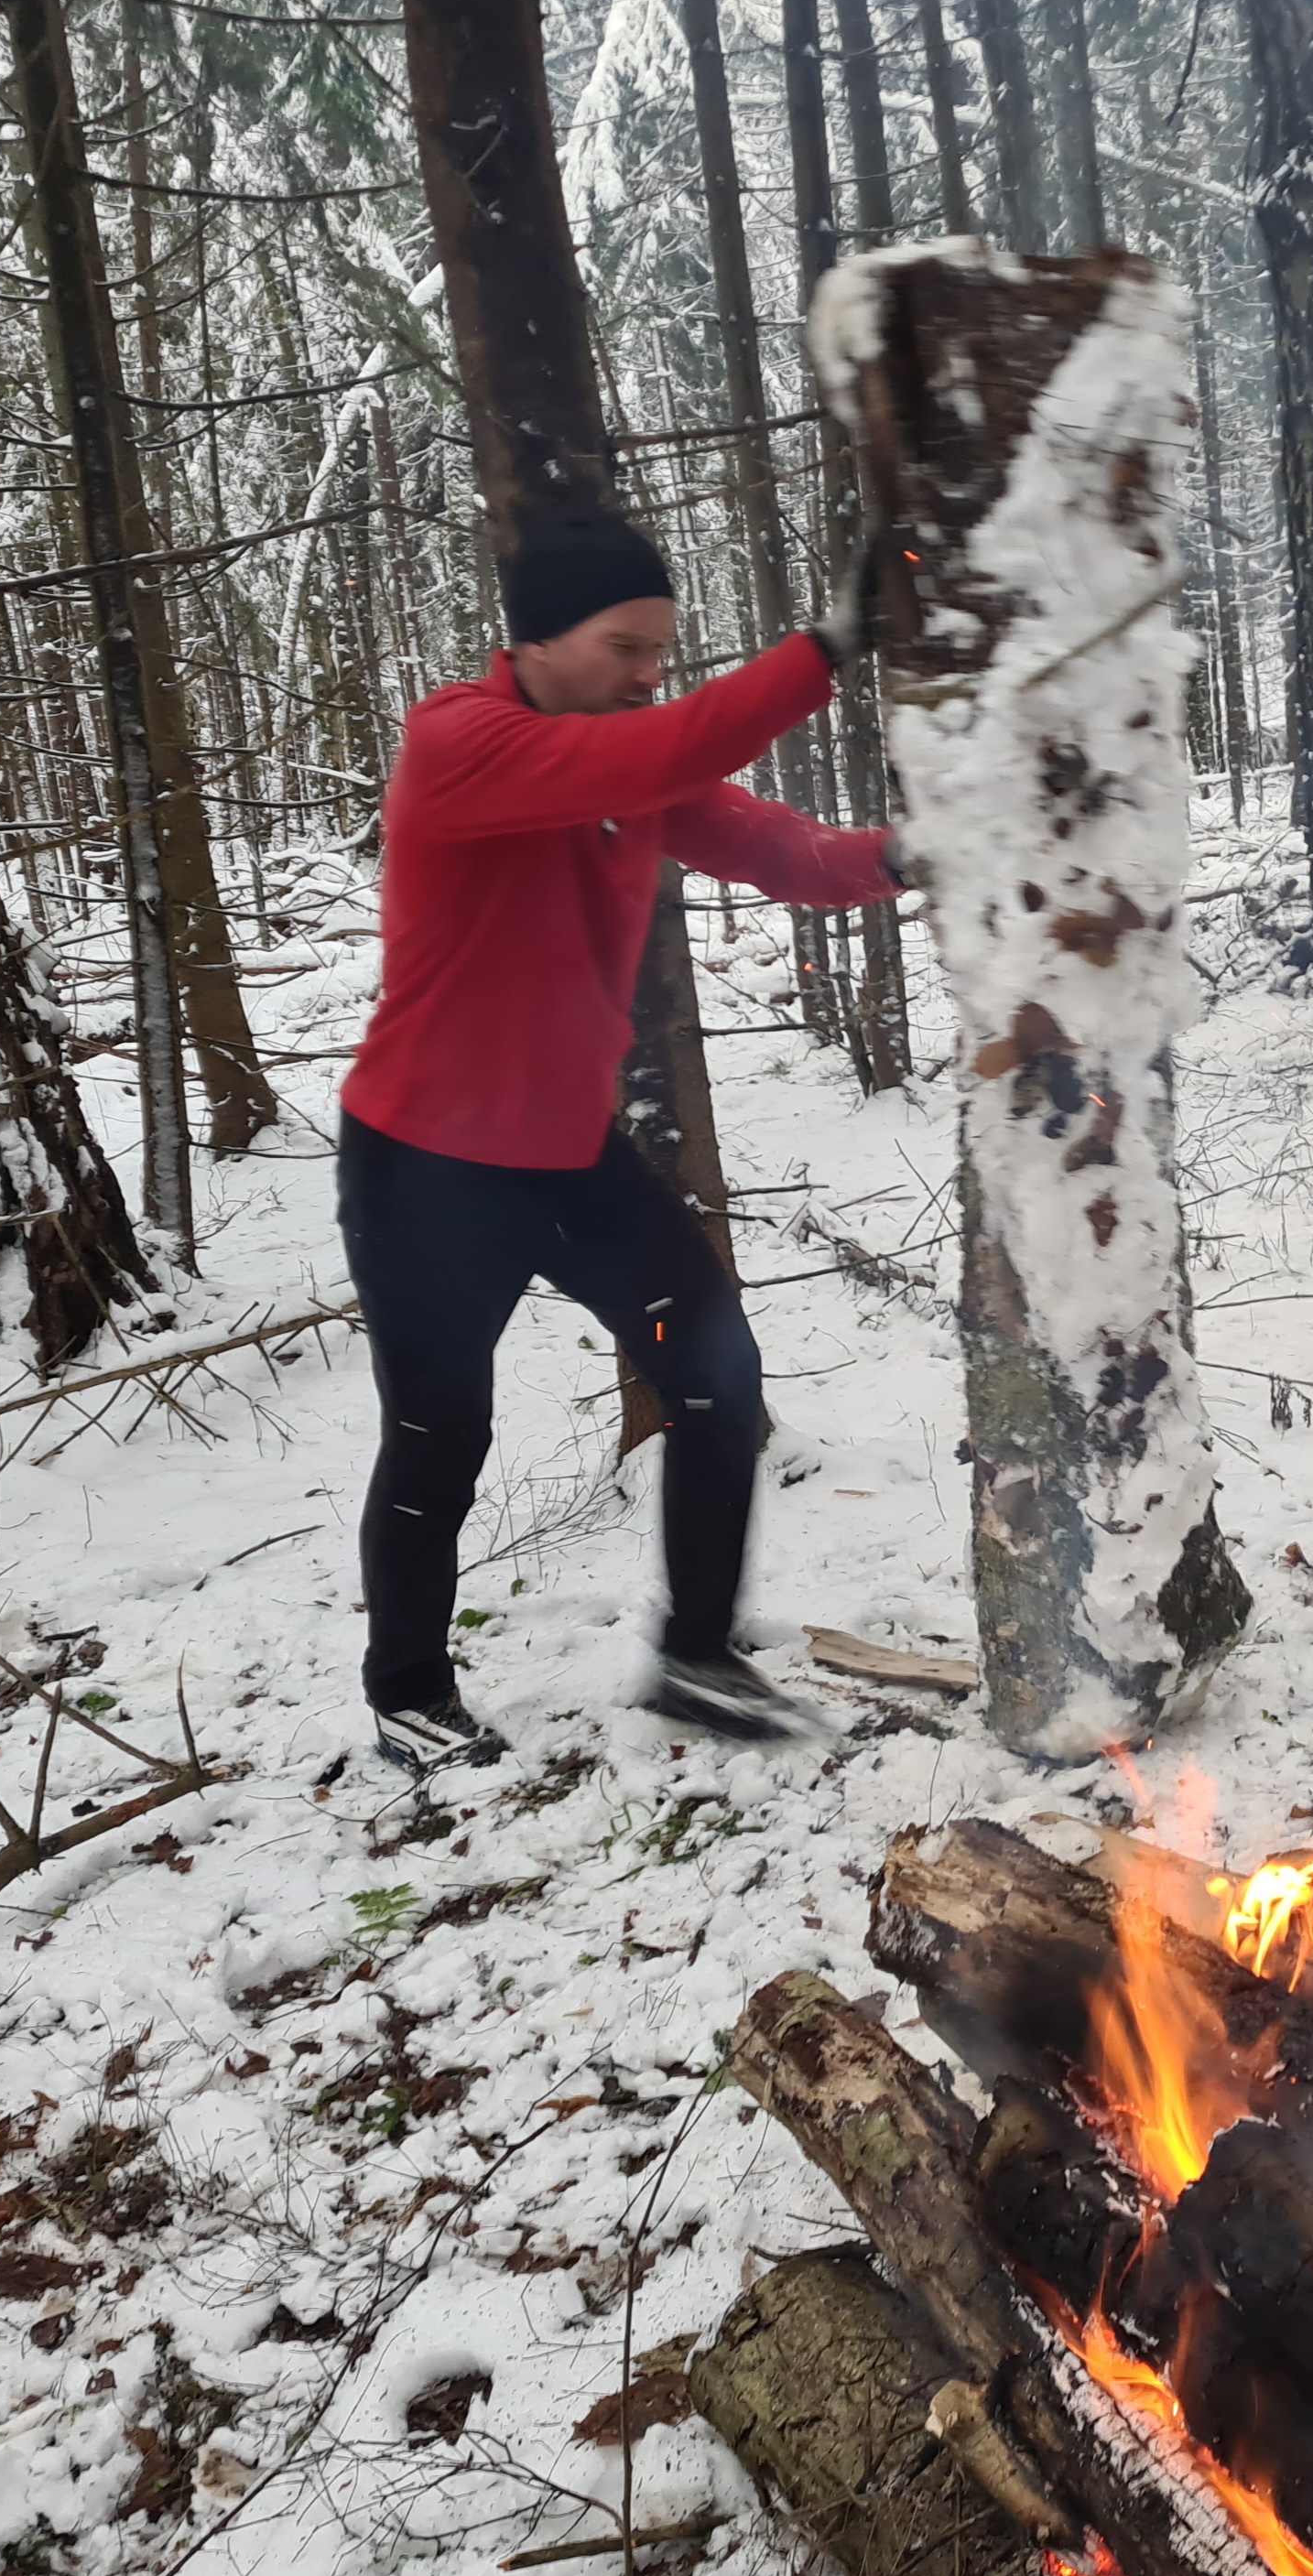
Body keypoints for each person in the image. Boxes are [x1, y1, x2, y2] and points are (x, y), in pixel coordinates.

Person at [338, 512, 903, 1775]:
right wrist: (825, 647)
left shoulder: (623, 770)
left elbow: (770, 843)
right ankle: (408, 1692)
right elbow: (670, 744)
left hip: (566, 1156)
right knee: (439, 1434)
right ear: (537, 643)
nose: (651, 672)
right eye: (626, 647)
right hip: (425, 1166)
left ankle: (696, 1657)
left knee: (716, 1377)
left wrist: (908, 856)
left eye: (662, 649)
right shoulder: (462, 742)